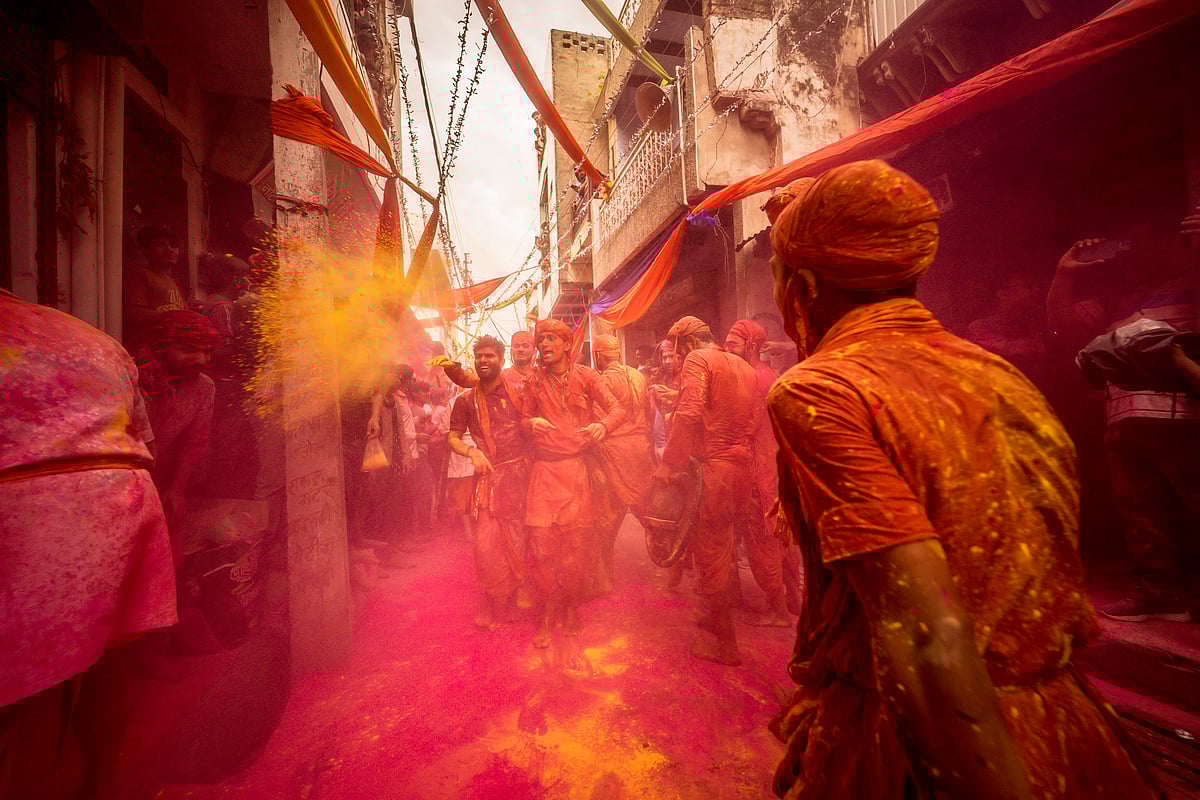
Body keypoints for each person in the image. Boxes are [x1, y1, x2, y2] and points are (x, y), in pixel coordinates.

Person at [767, 160, 1159, 800]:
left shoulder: (821, 389)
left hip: (937, 745)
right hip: (1062, 726)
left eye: (778, 274)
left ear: (802, 285)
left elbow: (925, 638)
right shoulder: (997, 374)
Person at [1, 289, 176, 800]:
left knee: (24, 679)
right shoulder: (90, 337)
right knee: (102, 657)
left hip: (33, 513)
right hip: (123, 499)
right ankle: (102, 782)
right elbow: (145, 439)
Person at [1047, 208, 1200, 623]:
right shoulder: (1121, 296)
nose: (1131, 252)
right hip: (1125, 420)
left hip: (1185, 419)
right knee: (1141, 515)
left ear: (1171, 241)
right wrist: (1064, 277)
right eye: (1126, 243)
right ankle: (1158, 594)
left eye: (1140, 242)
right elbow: (1064, 328)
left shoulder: (1191, 283)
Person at [652, 315, 762, 666]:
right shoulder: (742, 366)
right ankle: (713, 625)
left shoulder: (699, 359)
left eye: (678, 349)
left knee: (710, 556)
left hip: (712, 474)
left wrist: (669, 464)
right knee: (723, 550)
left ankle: (726, 644)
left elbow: (689, 415)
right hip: (740, 471)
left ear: (686, 343)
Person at [521, 319, 625, 648]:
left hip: (577, 471)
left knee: (575, 549)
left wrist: (603, 427)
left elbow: (618, 409)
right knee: (542, 550)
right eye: (541, 340)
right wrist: (531, 423)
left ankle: (570, 610)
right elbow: (522, 419)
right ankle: (546, 615)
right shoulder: (533, 381)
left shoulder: (588, 377)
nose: (543, 345)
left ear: (567, 345)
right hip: (543, 473)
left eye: (551, 339)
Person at [448, 336, 532, 629]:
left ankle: (508, 600)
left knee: (518, 544)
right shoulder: (466, 401)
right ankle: (490, 600)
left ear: (502, 359)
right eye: (479, 356)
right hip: (487, 480)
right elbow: (452, 437)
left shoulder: (519, 393)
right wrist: (471, 452)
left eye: (490, 356)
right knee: (485, 547)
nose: (483, 361)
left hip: (520, 478)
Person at [725, 319, 797, 625]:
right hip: (775, 471)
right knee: (782, 537)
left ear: (751, 346)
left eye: (733, 344)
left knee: (762, 540)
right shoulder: (769, 374)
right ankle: (793, 600)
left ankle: (778, 611)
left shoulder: (754, 378)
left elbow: (747, 428)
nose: (727, 348)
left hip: (759, 475)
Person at [139, 311, 220, 542]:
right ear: (160, 348)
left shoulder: (204, 387)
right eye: (189, 349)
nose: (201, 359)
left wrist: (177, 488)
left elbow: (195, 442)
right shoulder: (133, 380)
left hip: (163, 479)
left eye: (207, 351)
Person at [590, 334, 654, 595]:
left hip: (615, 452)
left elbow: (599, 422)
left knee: (607, 517)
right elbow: (649, 413)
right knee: (647, 510)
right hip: (640, 449)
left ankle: (603, 578)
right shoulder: (638, 376)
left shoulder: (603, 381)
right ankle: (675, 561)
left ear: (598, 356)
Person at [124, 225, 187, 352]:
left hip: (172, 349)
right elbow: (135, 313)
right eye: (160, 245)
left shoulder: (174, 283)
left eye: (173, 246)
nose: (169, 250)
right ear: (145, 250)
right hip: (149, 349)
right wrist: (173, 317)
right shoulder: (140, 275)